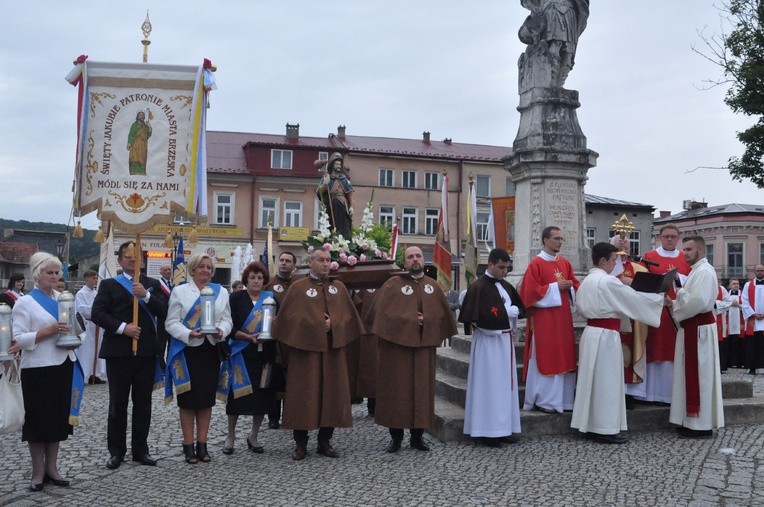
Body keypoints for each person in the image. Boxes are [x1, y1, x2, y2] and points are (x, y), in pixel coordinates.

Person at [272, 248, 363, 460]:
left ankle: (325, 441)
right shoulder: (298, 288)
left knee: (331, 395)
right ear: (310, 263)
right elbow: (288, 322)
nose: (325, 264)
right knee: (303, 395)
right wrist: (315, 325)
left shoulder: (338, 288)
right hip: (306, 353)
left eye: (328, 260)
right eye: (320, 260)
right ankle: (301, 443)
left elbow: (350, 320)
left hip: (332, 352)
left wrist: (334, 324)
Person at [570, 243, 664, 444]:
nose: (616, 264)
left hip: (591, 334)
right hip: (606, 337)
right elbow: (633, 300)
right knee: (607, 382)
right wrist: (658, 296)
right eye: (614, 260)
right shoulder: (608, 282)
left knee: (591, 382)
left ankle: (588, 424)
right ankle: (605, 429)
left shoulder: (585, 281)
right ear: (603, 260)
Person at [370, 246, 457, 453]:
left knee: (422, 391)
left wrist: (426, 320)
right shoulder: (392, 285)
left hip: (423, 349)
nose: (415, 260)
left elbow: (442, 317)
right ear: (404, 262)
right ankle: (396, 437)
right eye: (410, 257)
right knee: (397, 391)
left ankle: (417, 437)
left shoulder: (432, 286)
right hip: (397, 350)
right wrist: (411, 321)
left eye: (418, 256)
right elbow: (381, 316)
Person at [91, 241, 168, 470]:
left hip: (145, 353)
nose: (132, 261)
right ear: (120, 260)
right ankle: (116, 451)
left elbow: (164, 311)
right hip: (119, 352)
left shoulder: (151, 284)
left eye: (136, 257)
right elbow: (97, 313)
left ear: (142, 260)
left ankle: (140, 450)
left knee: (143, 404)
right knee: (118, 403)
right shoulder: (109, 285)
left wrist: (145, 296)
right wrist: (124, 328)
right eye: (128, 257)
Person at [13, 252, 83, 491]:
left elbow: (76, 328)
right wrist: (48, 331)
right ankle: (37, 472)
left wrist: (76, 337)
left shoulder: (64, 298)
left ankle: (53, 468)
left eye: (56, 273)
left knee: (56, 421)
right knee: (37, 422)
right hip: (37, 370)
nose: (54, 276)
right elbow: (18, 338)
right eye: (49, 272)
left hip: (62, 365)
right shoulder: (25, 302)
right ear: (37, 275)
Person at [165, 253, 233, 464]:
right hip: (187, 351)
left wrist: (221, 331)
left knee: (205, 401)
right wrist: (189, 334)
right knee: (187, 401)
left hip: (210, 351)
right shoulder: (180, 291)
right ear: (192, 270)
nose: (206, 271)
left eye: (209, 267)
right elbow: (171, 322)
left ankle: (202, 445)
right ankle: (188, 446)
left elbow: (227, 320)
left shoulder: (221, 292)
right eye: (201, 267)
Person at [459, 248, 526, 447]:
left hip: (505, 341)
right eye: (501, 267)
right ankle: (488, 431)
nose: (504, 272)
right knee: (489, 386)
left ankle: (504, 428)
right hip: (488, 343)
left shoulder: (505, 286)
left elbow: (519, 307)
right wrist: (508, 314)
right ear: (489, 264)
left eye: (507, 268)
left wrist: (514, 313)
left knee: (505, 386)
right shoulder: (478, 287)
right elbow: (477, 317)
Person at [668, 236, 725, 438]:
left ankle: (702, 425)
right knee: (689, 373)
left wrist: (679, 296)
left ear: (701, 249)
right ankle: (690, 420)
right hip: (692, 328)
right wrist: (673, 302)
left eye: (689, 249)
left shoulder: (704, 271)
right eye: (684, 249)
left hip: (699, 330)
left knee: (701, 375)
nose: (685, 253)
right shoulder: (696, 271)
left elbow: (699, 302)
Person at [520, 226, 580, 413]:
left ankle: (563, 401)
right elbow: (529, 294)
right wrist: (555, 287)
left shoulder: (565, 263)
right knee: (547, 356)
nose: (560, 242)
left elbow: (575, 285)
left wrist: (570, 288)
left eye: (562, 238)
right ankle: (545, 400)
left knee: (564, 355)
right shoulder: (535, 264)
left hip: (563, 320)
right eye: (556, 238)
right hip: (544, 320)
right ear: (545, 240)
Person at [221, 261, 277, 455]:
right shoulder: (235, 298)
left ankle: (253, 435)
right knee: (236, 396)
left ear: (264, 281)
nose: (256, 281)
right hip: (241, 353)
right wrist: (247, 337)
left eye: (260, 278)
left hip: (264, 354)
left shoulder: (271, 299)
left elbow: (276, 324)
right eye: (252, 277)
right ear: (246, 280)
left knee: (262, 396)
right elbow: (228, 326)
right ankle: (230, 436)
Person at [636, 224, 691, 404]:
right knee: (654, 348)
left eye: (673, 236)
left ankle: (669, 395)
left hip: (676, 310)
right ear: (660, 237)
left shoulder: (685, 258)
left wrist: (677, 278)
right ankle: (650, 393)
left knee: (673, 350)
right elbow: (642, 281)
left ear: (678, 238)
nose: (669, 239)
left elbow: (690, 282)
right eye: (666, 236)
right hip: (654, 310)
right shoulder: (649, 257)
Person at [263, 251, 297, 429]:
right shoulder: (269, 285)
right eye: (281, 260)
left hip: (293, 339)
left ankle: (290, 414)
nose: (283, 263)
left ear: (294, 265)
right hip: (275, 338)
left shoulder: (299, 284)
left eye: (287, 261)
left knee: (292, 377)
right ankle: (273, 416)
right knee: (275, 377)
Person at [348, 287, 380, 417]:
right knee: (352, 367)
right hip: (354, 332)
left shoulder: (382, 286)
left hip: (375, 333)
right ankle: (351, 400)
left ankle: (373, 406)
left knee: (374, 370)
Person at [75, 270, 105, 384]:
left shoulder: (96, 293)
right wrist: (94, 306)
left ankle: (95, 374)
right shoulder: (81, 293)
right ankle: (84, 374)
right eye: (93, 278)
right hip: (87, 325)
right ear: (86, 279)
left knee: (97, 350)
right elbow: (81, 310)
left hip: (97, 324)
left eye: (96, 278)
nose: (95, 280)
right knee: (87, 350)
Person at [316, 152, 355, 240]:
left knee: (345, 227)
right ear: (332, 165)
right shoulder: (327, 177)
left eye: (340, 164)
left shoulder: (344, 179)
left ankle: (345, 239)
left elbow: (350, 194)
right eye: (336, 164)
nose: (338, 166)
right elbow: (320, 194)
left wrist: (352, 206)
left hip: (343, 206)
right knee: (332, 225)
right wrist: (325, 183)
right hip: (332, 207)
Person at [742, 264, 764, 375]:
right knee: (752, 345)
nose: (760, 272)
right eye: (758, 270)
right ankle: (752, 368)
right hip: (753, 320)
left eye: (761, 270)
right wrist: (753, 314)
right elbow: (744, 301)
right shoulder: (748, 285)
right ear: (754, 272)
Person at [726, 279, 745, 368]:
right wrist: (729, 305)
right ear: (729, 286)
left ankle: (740, 362)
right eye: (734, 284)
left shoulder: (743, 295)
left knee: (740, 343)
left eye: (737, 283)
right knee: (728, 343)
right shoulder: (725, 294)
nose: (736, 285)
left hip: (740, 322)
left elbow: (747, 307)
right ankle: (729, 362)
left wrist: (739, 306)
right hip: (728, 322)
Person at [127, 110, 152, 175]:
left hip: (143, 145)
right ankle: (134, 171)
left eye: (143, 115)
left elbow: (148, 135)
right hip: (135, 144)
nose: (142, 116)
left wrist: (149, 127)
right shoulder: (134, 125)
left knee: (142, 158)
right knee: (135, 157)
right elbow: (131, 134)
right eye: (140, 115)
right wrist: (129, 143)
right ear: (137, 116)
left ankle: (142, 172)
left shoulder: (145, 126)